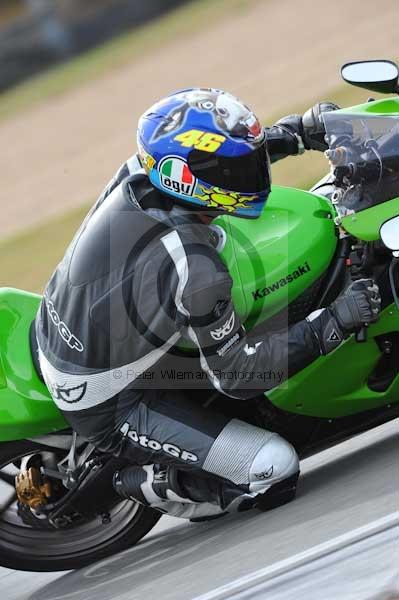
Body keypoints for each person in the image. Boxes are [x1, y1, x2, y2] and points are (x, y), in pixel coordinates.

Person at [34, 89, 381, 520]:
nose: (251, 174)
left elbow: (216, 163)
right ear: (187, 178)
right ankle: (139, 481)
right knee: (273, 466)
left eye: (249, 161)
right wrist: (332, 323)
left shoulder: (140, 172)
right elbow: (238, 376)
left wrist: (293, 133)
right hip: (112, 401)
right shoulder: (193, 267)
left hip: (67, 324)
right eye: (239, 168)